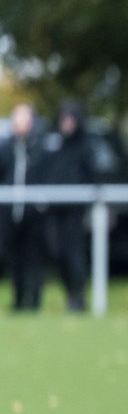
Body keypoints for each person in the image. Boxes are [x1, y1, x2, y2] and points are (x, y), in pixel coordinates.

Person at [39, 100, 98, 313]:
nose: (66, 124)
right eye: (63, 119)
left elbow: (93, 176)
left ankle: (77, 297)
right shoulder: (52, 144)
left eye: (70, 119)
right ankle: (70, 295)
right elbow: (43, 171)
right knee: (57, 253)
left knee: (75, 254)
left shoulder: (85, 146)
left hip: (75, 210)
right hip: (54, 209)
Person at [0, 103, 47, 312]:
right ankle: (18, 301)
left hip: (33, 214)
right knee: (15, 260)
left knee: (34, 259)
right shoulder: (6, 148)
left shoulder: (39, 148)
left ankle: (34, 302)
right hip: (10, 214)